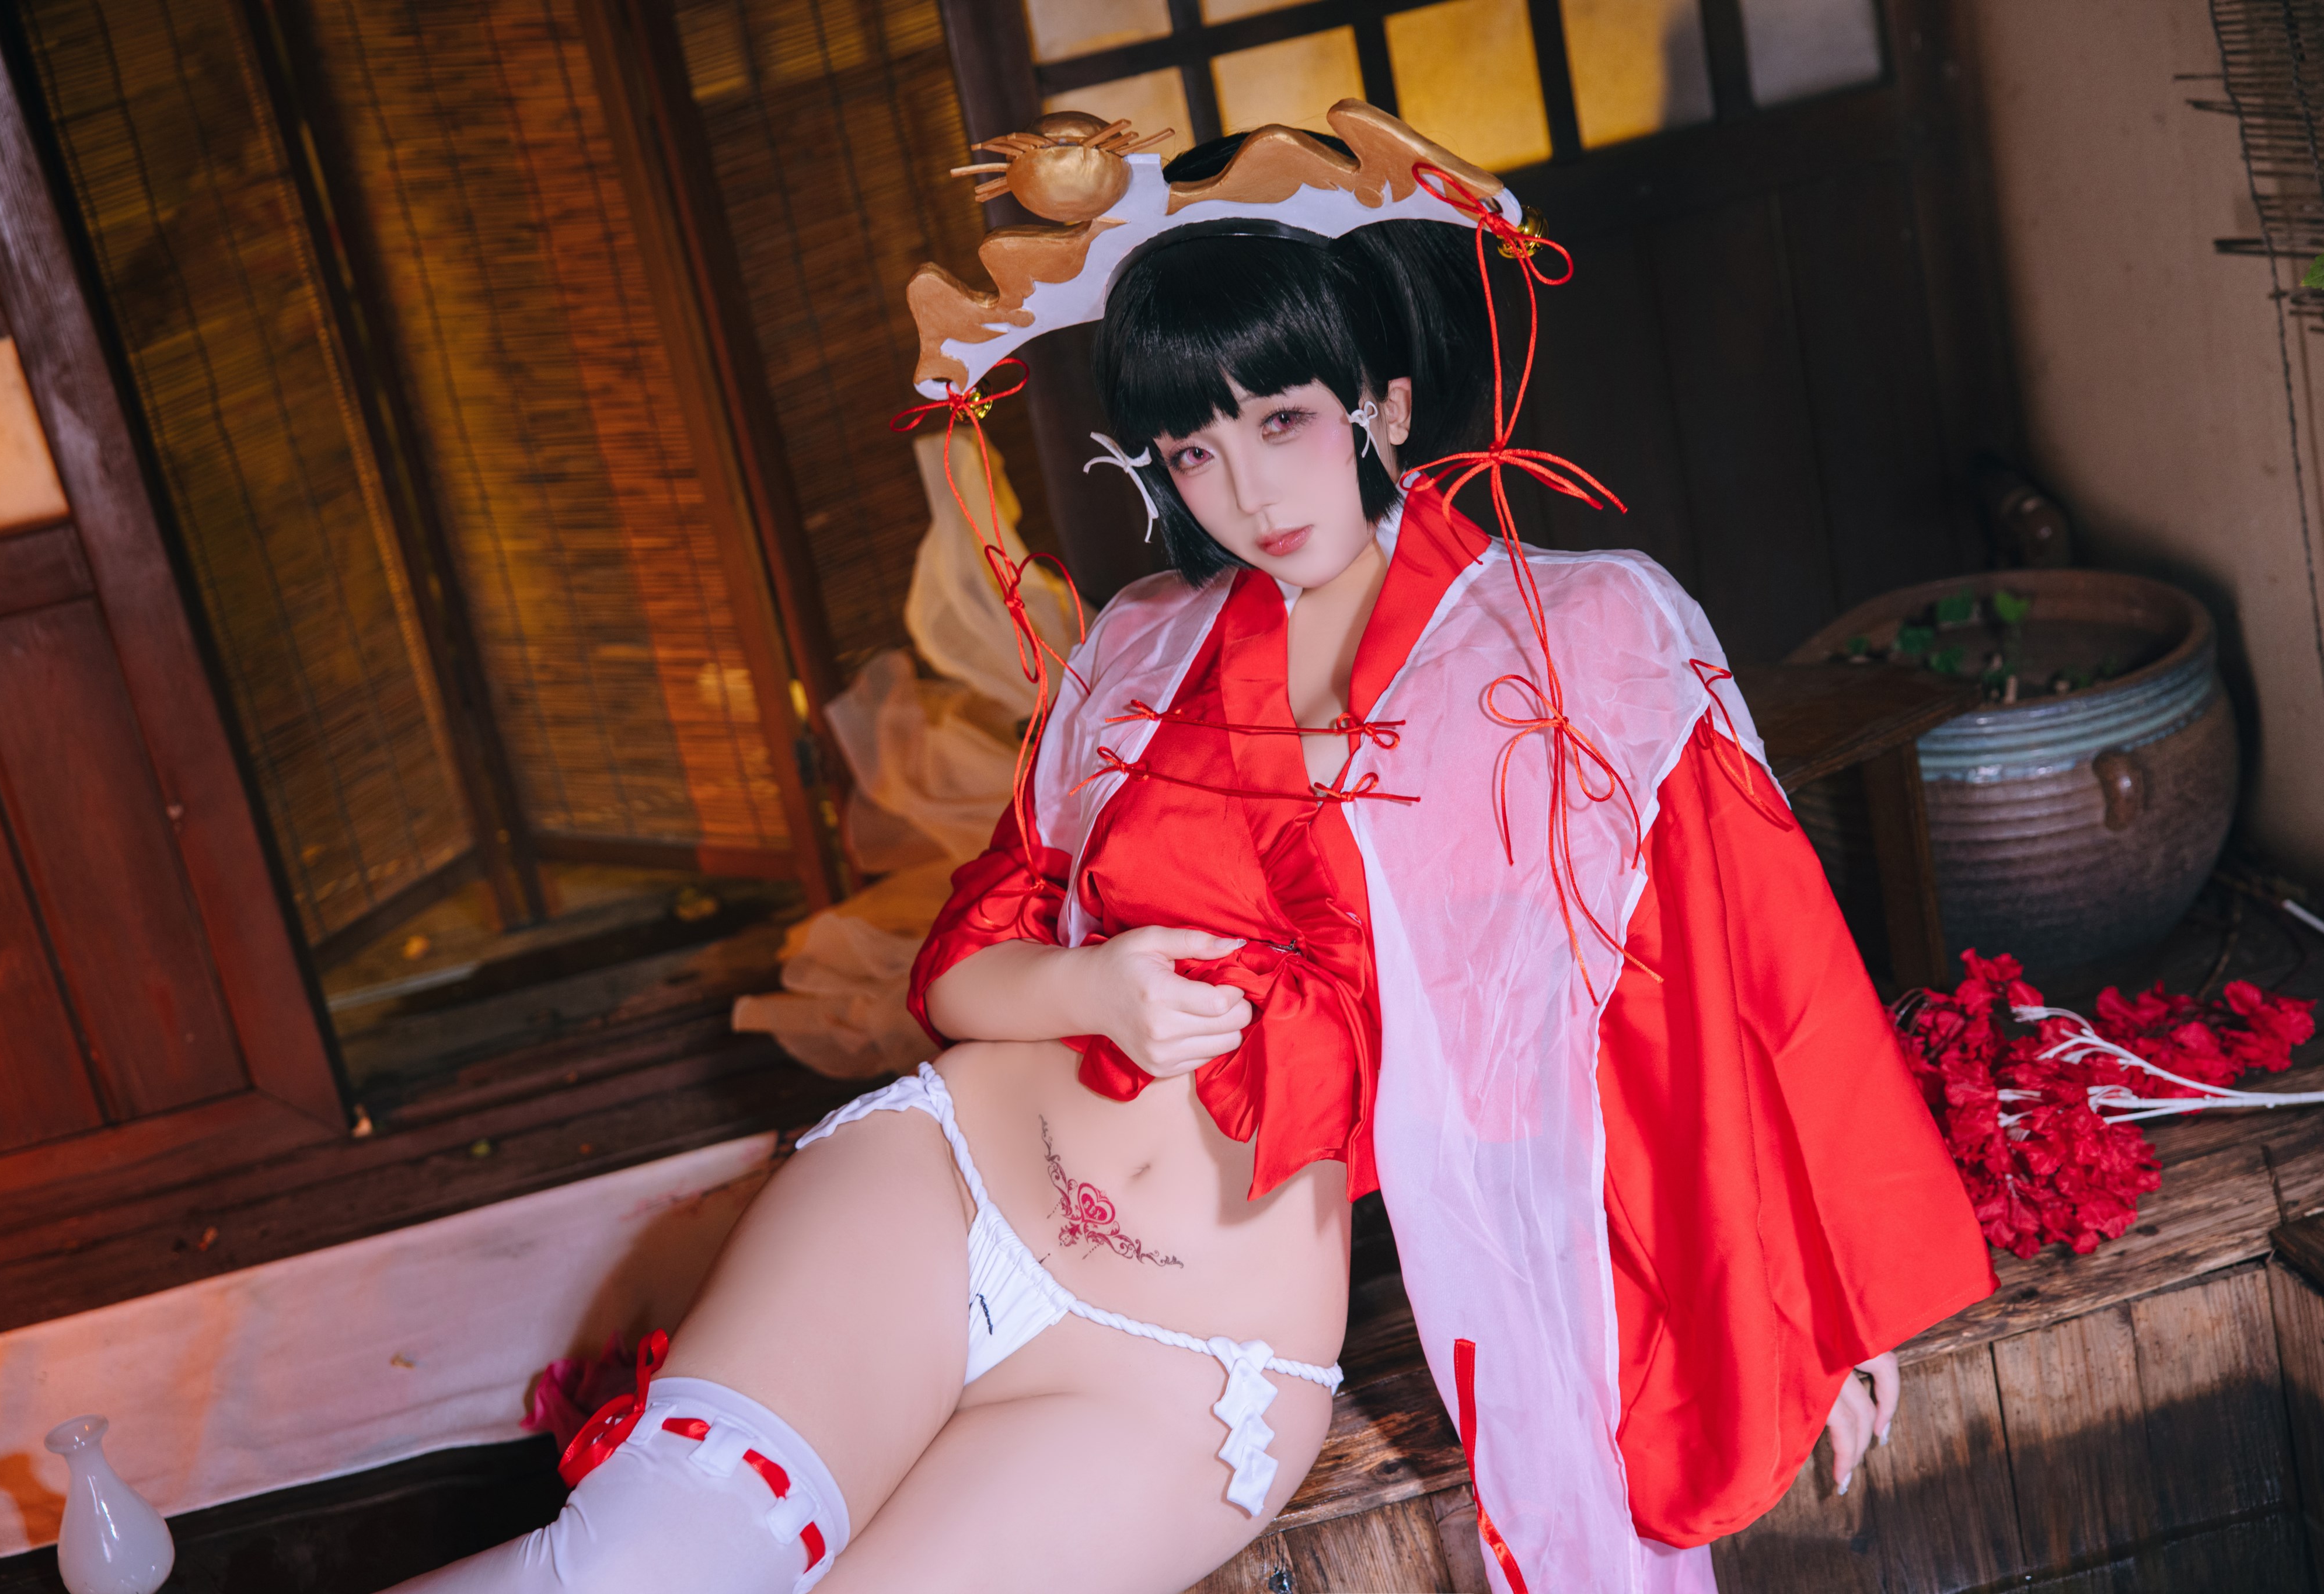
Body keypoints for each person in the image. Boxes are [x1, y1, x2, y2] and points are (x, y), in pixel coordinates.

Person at [387, 104, 1994, 1594]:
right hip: (942, 1187)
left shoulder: (1579, 642)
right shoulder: (1142, 647)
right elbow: (961, 975)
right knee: (628, 1563)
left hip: (1188, 1366)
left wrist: (1830, 1308)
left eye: (1283, 421)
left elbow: (1757, 967)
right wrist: (1094, 989)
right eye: (1193, 453)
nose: (1247, 494)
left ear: (1386, 405)